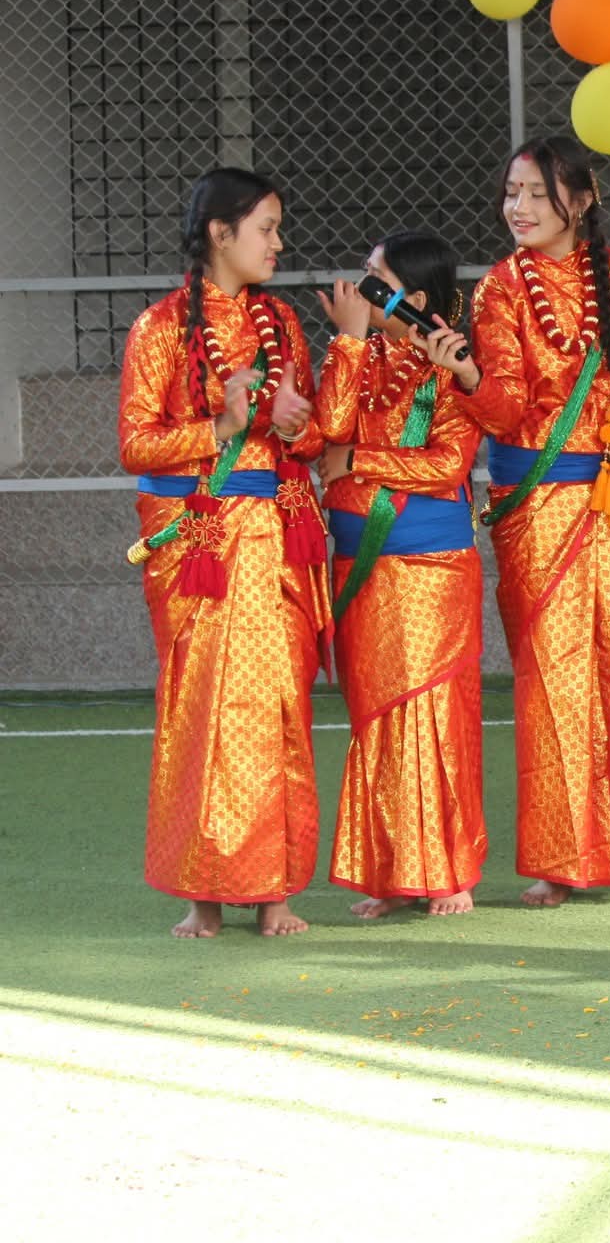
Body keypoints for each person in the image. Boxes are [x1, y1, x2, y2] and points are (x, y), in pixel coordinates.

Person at [434, 135, 610, 906]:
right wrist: (470, 377)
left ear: (580, 202)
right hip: (541, 513)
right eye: (510, 192)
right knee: (554, 680)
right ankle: (559, 857)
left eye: (536, 194)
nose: (517, 207)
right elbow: (507, 412)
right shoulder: (500, 290)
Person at [116, 167, 326, 938]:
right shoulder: (160, 328)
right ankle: (201, 892)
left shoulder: (283, 323)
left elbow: (310, 437)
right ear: (219, 232)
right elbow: (136, 443)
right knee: (202, 709)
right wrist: (223, 428)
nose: (278, 243)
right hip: (201, 545)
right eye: (266, 228)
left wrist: (294, 421)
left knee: (280, 709)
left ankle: (276, 891)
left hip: (275, 540)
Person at [313, 231, 488, 918]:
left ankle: (448, 870)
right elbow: (329, 428)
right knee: (377, 716)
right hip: (360, 564)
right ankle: (390, 873)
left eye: (374, 279)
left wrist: (360, 462)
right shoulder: (358, 355)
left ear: (412, 298)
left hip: (430, 569)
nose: (360, 286)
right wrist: (349, 339)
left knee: (431, 713)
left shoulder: (449, 365)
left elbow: (446, 466)